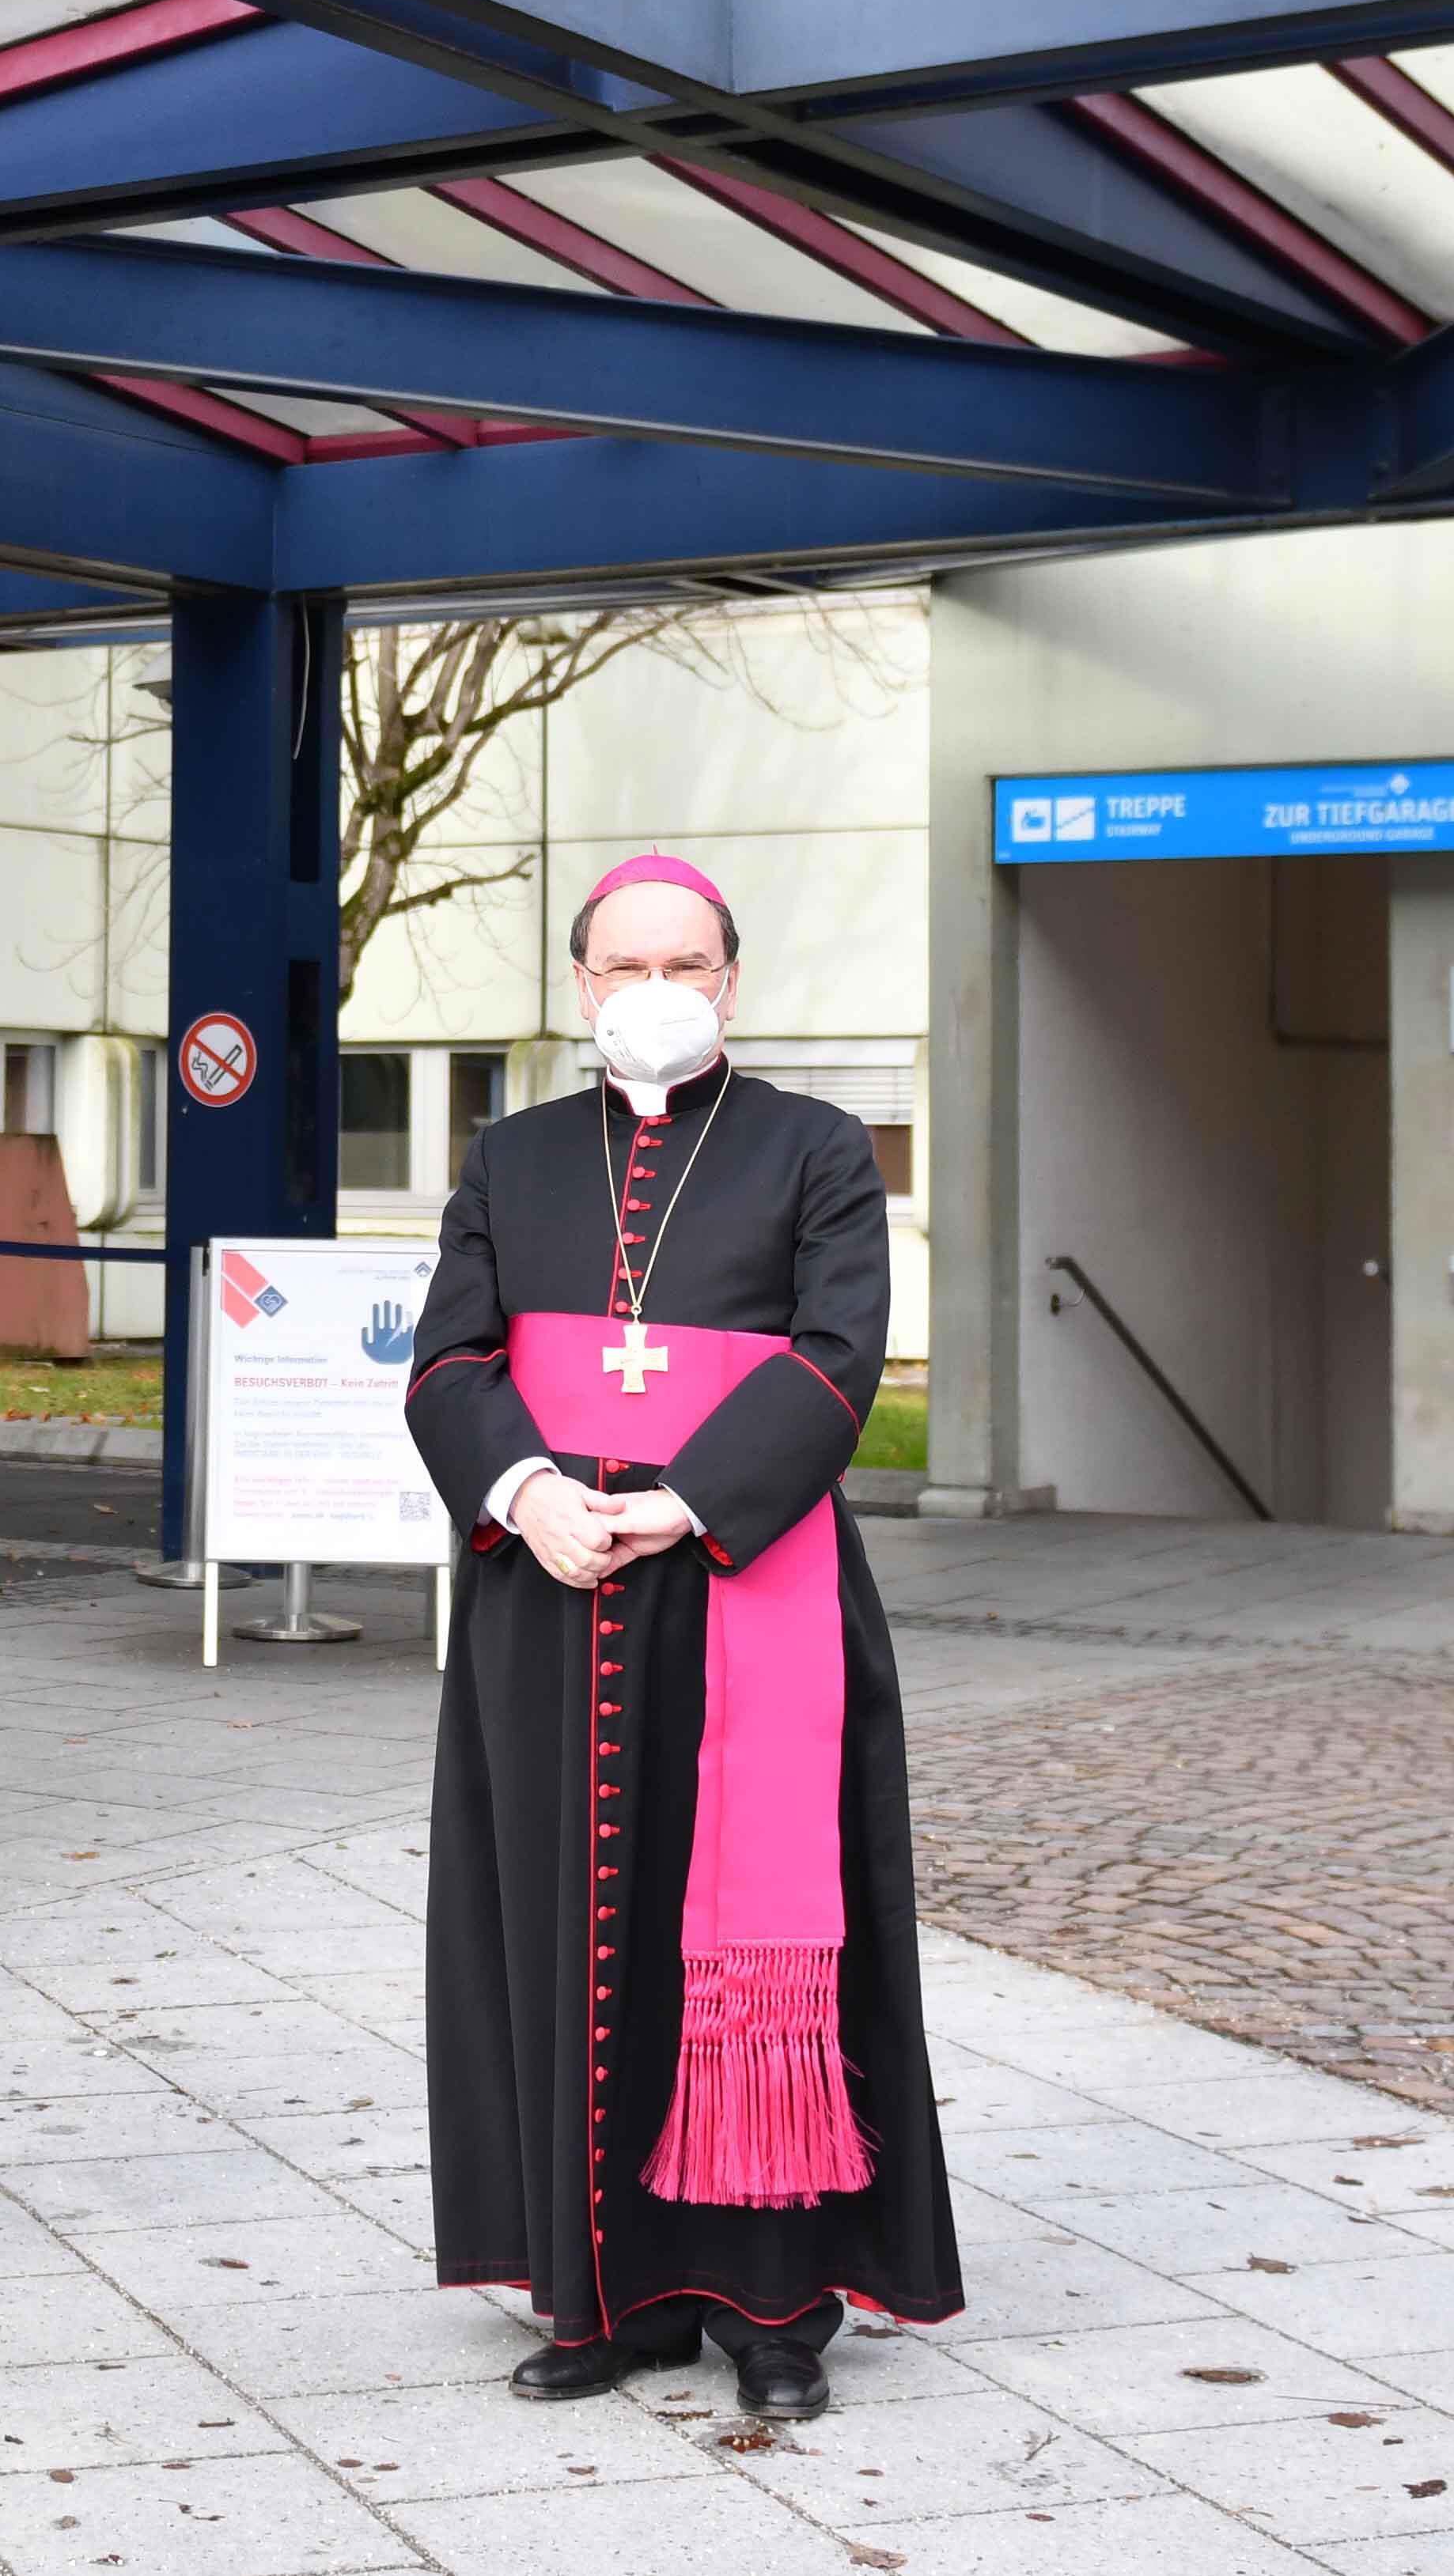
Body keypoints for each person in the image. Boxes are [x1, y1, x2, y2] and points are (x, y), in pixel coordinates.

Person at [406, 853, 960, 2419]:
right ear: (583, 984)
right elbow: (447, 1361)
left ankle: (774, 2312)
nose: (656, 990)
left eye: (687, 965)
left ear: (730, 980)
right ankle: (600, 2298)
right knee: (564, 1928)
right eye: (627, 966)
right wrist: (529, 1494)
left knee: (755, 1942)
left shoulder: (814, 1146)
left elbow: (840, 1357)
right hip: (548, 1591)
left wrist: (684, 1500)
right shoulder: (510, 1157)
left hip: (743, 1576)